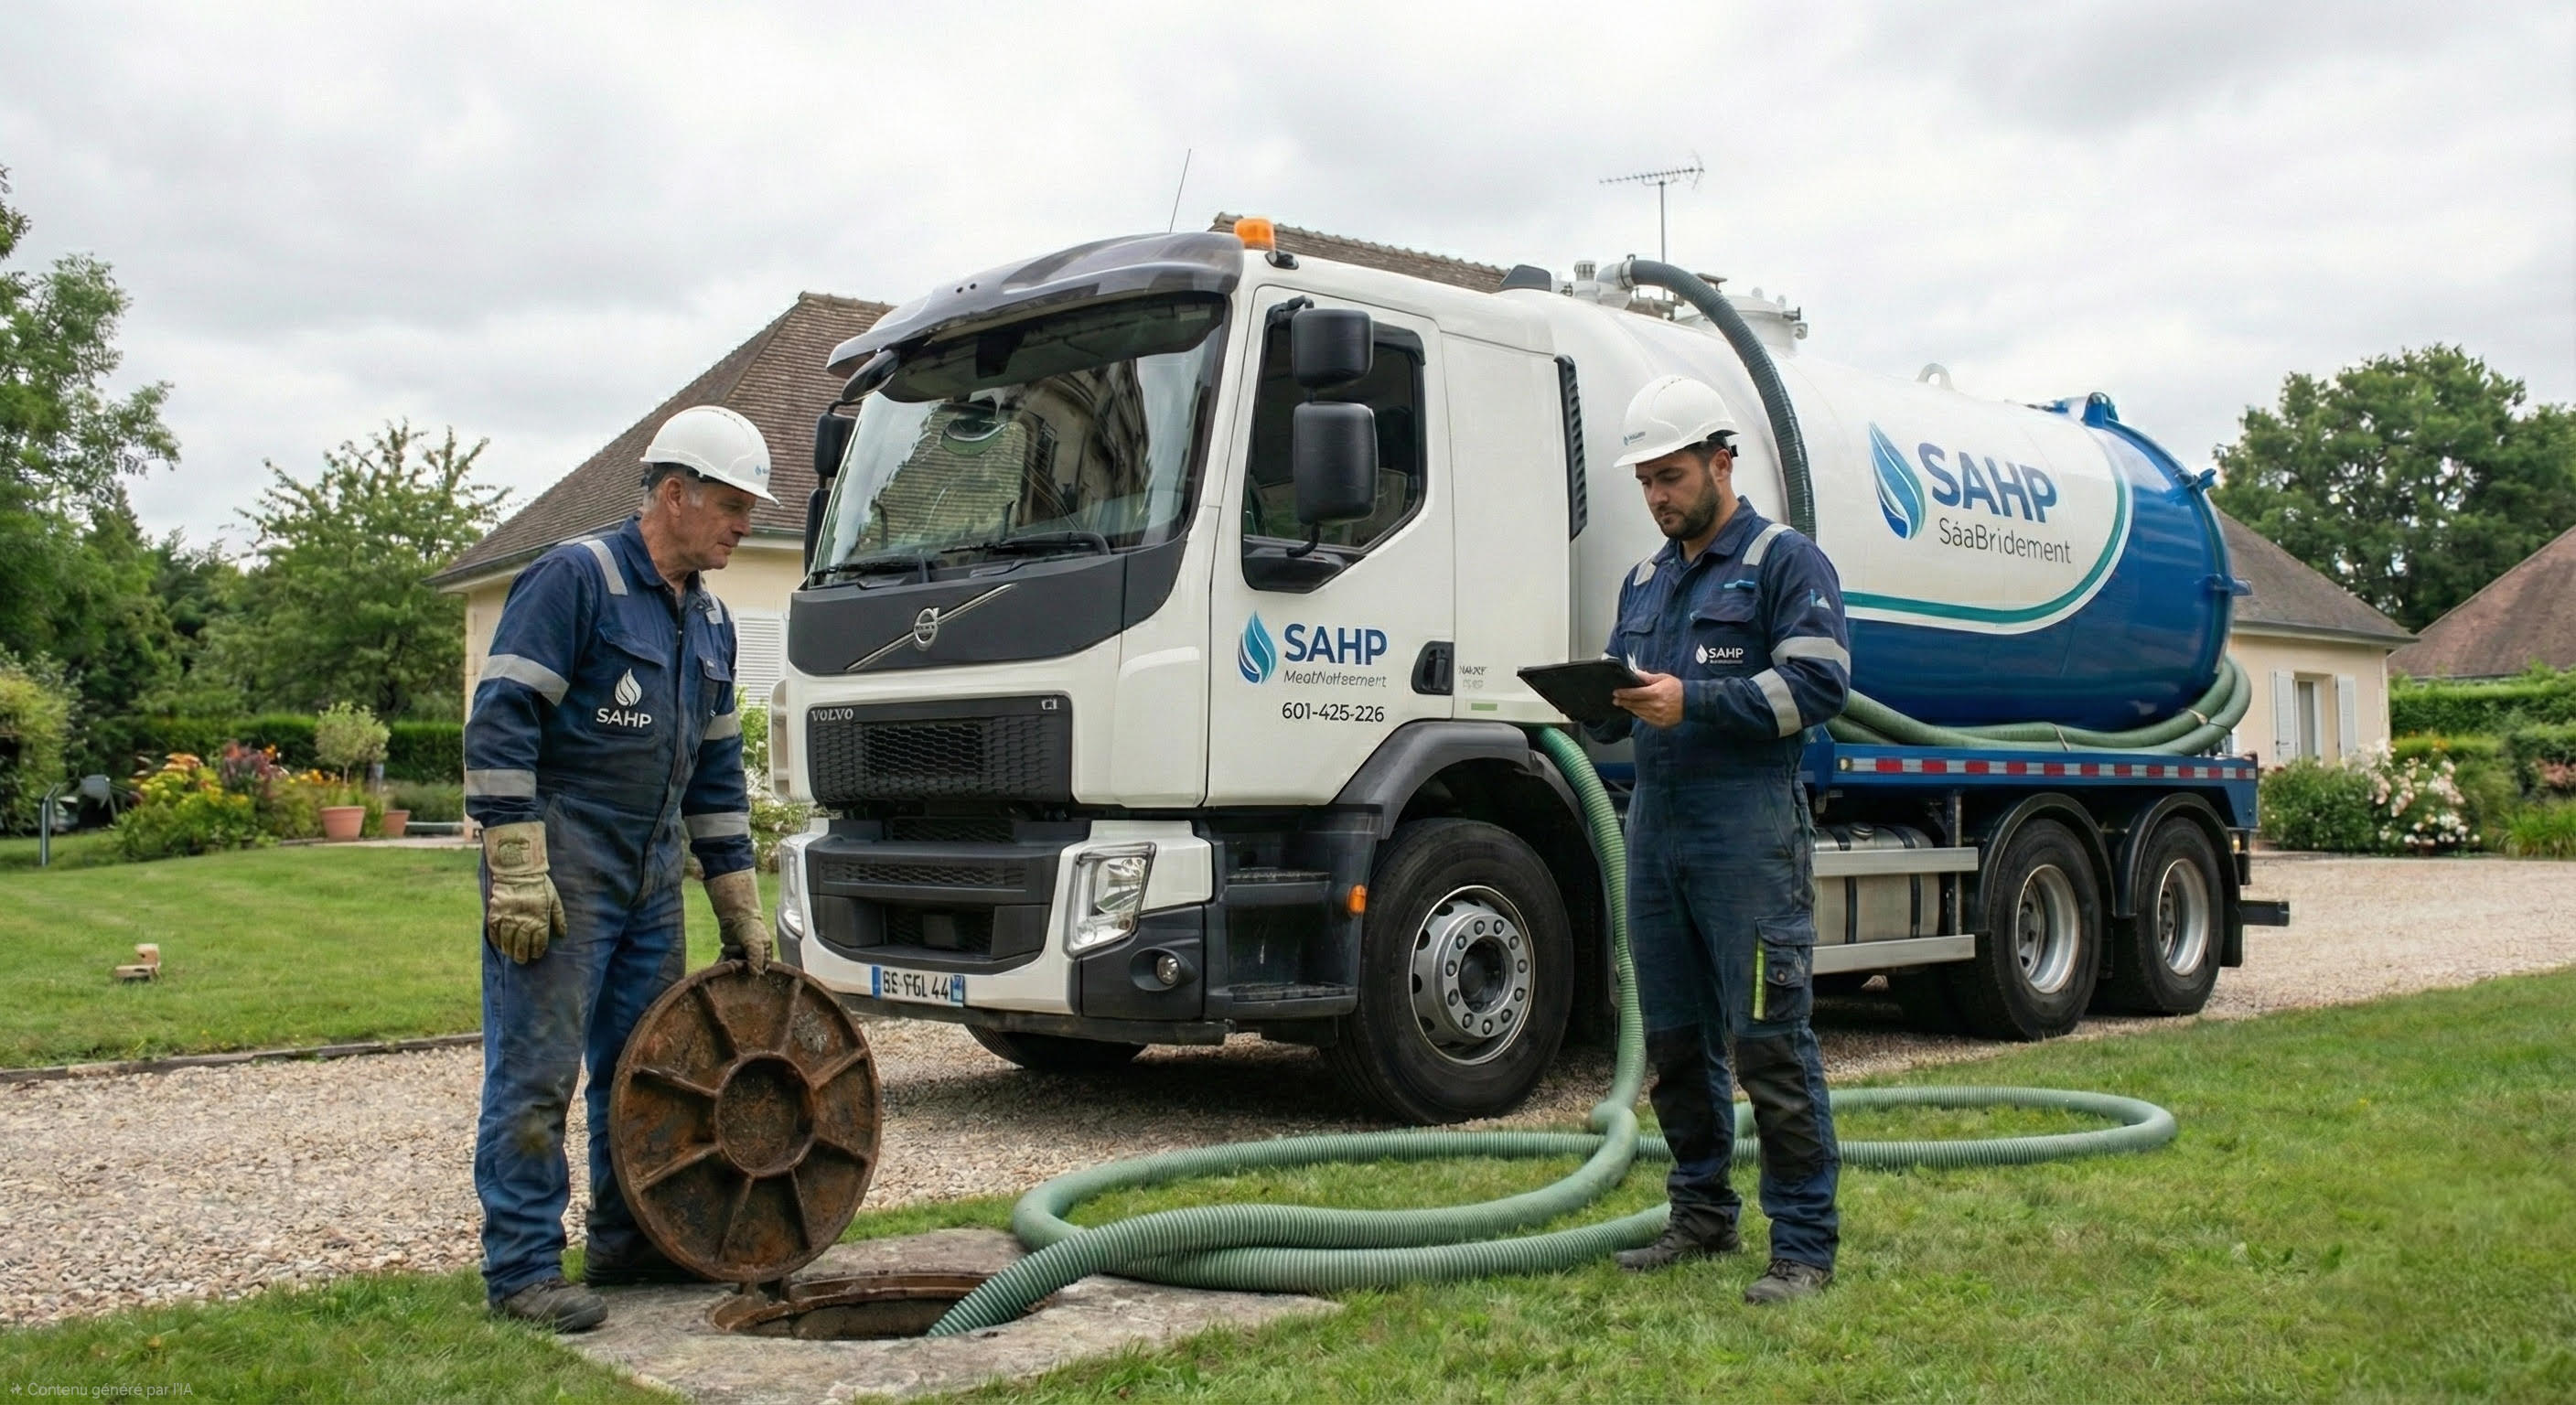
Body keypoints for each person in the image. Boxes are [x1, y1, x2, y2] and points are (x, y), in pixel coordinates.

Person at [464, 404, 780, 1331]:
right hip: (563, 856)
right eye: (730, 505)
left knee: (645, 1067)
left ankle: (626, 1242)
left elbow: (716, 776)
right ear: (673, 494)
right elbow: (502, 721)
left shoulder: (712, 623)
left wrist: (736, 903)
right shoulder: (576, 579)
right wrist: (516, 864)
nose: (744, 524)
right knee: (536, 1070)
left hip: (650, 870)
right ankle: (522, 1272)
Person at [1586, 374, 1852, 1304]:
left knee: (1768, 1042)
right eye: (1645, 483)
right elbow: (1630, 701)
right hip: (1656, 834)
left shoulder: (1785, 563)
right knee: (1673, 1044)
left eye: (1670, 476)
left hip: (1746, 838)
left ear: (1719, 461)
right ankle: (1698, 1216)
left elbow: (1816, 689)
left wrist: (1687, 700)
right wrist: (1595, 705)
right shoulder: (1643, 580)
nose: (1657, 497)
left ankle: (1803, 1246)